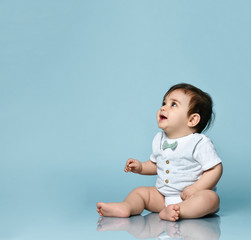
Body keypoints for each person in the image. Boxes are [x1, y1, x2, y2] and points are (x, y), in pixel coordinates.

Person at [97, 83, 223, 221]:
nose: (163, 107)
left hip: (191, 198)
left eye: (173, 104)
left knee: (210, 199)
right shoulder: (159, 139)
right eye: (164, 102)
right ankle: (126, 207)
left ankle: (179, 211)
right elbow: (156, 164)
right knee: (140, 193)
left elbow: (215, 169)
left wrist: (196, 188)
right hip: (163, 197)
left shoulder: (199, 143)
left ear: (192, 120)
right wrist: (141, 167)